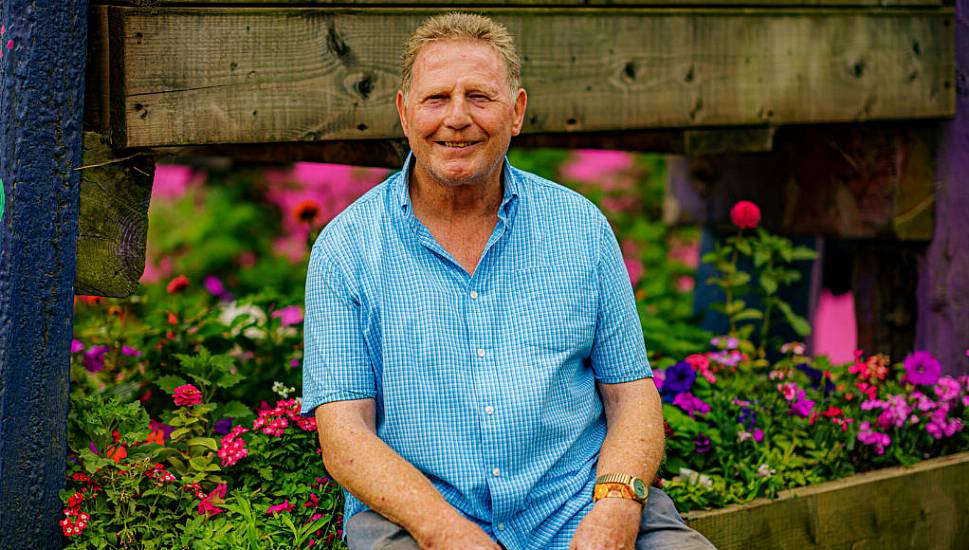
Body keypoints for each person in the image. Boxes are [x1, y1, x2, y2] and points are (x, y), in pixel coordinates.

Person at [301, 12, 714, 550]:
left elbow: (631, 394)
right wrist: (445, 531)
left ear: (515, 112)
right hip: (419, 519)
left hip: (574, 503)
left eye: (479, 96)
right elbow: (344, 434)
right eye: (435, 99)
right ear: (404, 114)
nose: (456, 118)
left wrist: (616, 503)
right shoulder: (347, 248)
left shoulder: (579, 228)